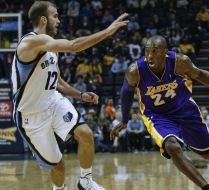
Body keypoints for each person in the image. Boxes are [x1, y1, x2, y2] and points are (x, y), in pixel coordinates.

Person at [11, 1, 128, 190]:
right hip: (31, 115)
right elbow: (74, 46)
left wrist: (80, 94)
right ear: (43, 19)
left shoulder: (50, 49)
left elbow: (57, 81)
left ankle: (86, 182)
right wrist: (107, 32)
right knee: (58, 165)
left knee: (85, 134)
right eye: (55, 16)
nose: (58, 20)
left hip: (52, 101)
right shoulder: (30, 42)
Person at [110, 35, 209, 190]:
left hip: (185, 109)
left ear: (165, 52)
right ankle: (206, 187)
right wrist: (124, 120)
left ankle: (185, 144)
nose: (149, 56)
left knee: (208, 154)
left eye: (155, 51)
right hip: (157, 115)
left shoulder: (180, 62)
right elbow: (125, 93)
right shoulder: (135, 71)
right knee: (172, 147)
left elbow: (199, 74)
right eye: (147, 51)